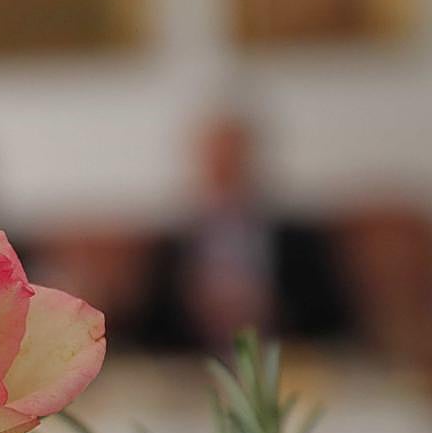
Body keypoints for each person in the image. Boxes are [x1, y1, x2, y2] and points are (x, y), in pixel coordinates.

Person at [140, 111, 354, 351]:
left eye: (232, 158)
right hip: (194, 361)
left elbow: (330, 320)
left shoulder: (300, 240)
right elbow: (149, 332)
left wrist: (269, 307)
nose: (224, 170)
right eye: (215, 159)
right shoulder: (171, 245)